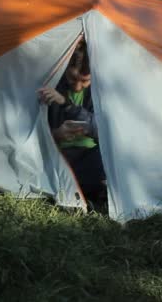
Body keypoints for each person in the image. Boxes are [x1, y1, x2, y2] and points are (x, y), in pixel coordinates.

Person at [37, 41, 107, 208]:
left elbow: (103, 130)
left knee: (104, 158)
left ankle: (89, 190)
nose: (77, 86)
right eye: (72, 78)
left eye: (84, 81)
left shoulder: (98, 91)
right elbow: (33, 131)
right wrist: (56, 134)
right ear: (65, 69)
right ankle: (88, 190)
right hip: (59, 153)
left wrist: (67, 105)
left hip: (90, 153)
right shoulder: (52, 87)